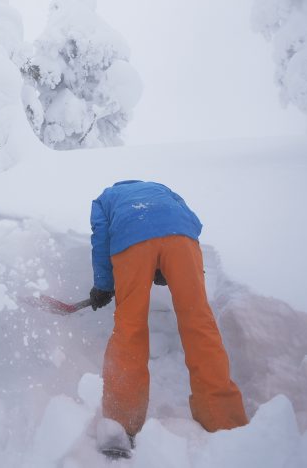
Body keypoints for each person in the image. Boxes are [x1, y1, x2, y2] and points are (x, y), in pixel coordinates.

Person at [88, 180, 247, 457]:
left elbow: (101, 236)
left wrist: (103, 284)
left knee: (129, 327)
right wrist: (167, 262)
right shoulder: (164, 190)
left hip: (131, 237)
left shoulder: (105, 199)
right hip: (182, 237)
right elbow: (194, 223)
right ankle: (224, 419)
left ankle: (121, 426)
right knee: (199, 322)